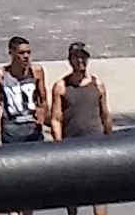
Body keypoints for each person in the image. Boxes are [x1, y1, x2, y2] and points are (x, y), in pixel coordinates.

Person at [51, 42, 114, 212]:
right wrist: (59, 143)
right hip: (72, 144)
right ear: (69, 60)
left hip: (96, 142)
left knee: (99, 191)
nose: (80, 60)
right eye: (76, 57)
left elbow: (105, 114)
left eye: (83, 57)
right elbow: (56, 118)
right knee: (72, 191)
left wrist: (110, 137)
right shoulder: (61, 86)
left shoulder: (97, 84)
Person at [0, 35, 48, 146]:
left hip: (33, 132)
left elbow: (43, 101)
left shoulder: (36, 72)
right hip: (11, 133)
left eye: (28, 52)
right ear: (11, 53)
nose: (26, 56)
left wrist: (42, 111)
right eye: (22, 53)